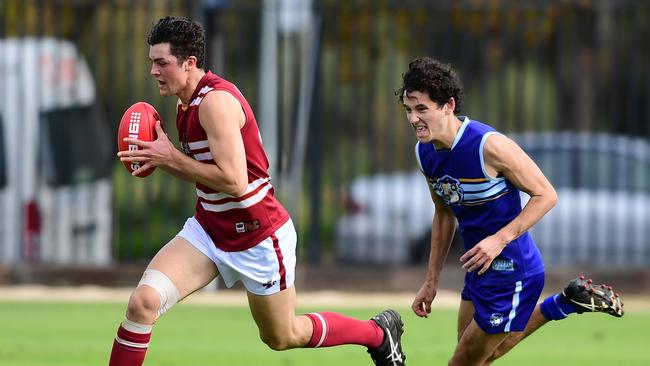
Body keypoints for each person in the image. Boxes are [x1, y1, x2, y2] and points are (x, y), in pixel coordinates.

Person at [110, 16, 405, 366]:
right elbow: (206, 176)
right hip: (209, 229)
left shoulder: (215, 104)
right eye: (152, 63)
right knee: (142, 303)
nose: (154, 72)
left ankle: (376, 334)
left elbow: (235, 181)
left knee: (283, 337)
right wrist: (163, 160)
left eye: (162, 63)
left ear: (189, 63)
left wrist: (170, 157)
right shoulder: (184, 102)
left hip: (257, 235)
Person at [399, 57, 624, 366]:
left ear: (449, 106)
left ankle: (561, 303)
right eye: (409, 110)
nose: (413, 119)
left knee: (462, 362)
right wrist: (431, 279)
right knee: (480, 358)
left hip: (512, 270)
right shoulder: (424, 152)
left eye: (422, 109)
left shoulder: (488, 146)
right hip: (478, 268)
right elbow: (443, 214)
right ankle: (565, 302)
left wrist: (499, 239)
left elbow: (546, 194)